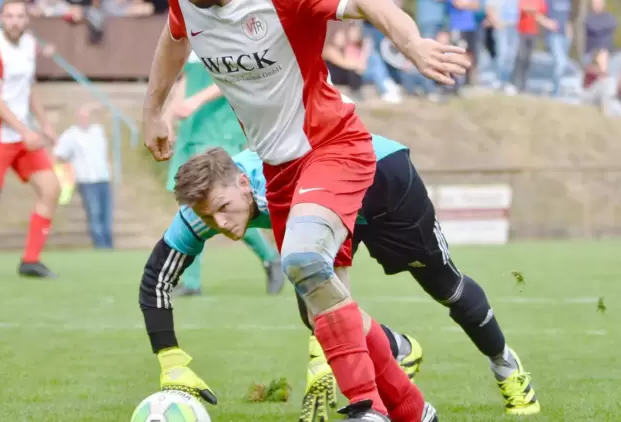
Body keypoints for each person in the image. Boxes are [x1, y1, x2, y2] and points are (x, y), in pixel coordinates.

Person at [140, 0, 469, 420]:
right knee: (325, 302)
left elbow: (367, 1)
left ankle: (366, 409)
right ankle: (416, 413)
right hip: (278, 169)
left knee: (300, 259)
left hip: (333, 145)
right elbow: (173, 40)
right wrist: (153, 110)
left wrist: (412, 44)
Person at [140, 133, 539, 420]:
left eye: (224, 207)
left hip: (384, 182)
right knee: (313, 306)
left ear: (244, 183)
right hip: (328, 207)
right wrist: (170, 360)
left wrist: (322, 357)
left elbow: (332, 267)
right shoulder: (204, 207)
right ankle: (398, 350)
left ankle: (508, 369)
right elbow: (156, 278)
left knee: (445, 287)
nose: (220, 223)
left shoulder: (280, 179)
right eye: (209, 216)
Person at [164, 51, 283, 296]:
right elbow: (185, 79)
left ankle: (269, 257)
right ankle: (192, 282)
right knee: (192, 206)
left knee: (229, 205)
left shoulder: (223, 35)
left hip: (219, 131)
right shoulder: (190, 35)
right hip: (192, 130)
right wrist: (167, 118)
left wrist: (196, 100)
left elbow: (235, 77)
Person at [0, 0, 61, 281]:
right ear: (0, 19)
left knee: (51, 188)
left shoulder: (29, 44)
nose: (15, 21)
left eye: (20, 16)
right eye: (9, 16)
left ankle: (30, 260)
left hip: (23, 136)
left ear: (26, 19)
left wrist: (44, 124)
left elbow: (29, 87)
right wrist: (25, 131)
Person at [54, 103, 114, 249]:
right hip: (86, 179)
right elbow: (59, 155)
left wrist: (92, 107)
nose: (85, 119)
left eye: (87, 116)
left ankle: (109, 244)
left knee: (106, 213)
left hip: (103, 177)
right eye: (82, 116)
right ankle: (100, 244)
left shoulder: (97, 130)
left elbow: (106, 112)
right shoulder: (71, 135)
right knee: (94, 212)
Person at [543, 0, 573, 97]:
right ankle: (555, 92)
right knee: (560, 62)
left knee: (561, 64)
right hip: (553, 36)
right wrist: (547, 22)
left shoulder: (567, 0)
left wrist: (570, 31)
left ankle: (554, 87)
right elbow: (538, 15)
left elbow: (567, 18)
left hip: (564, 36)